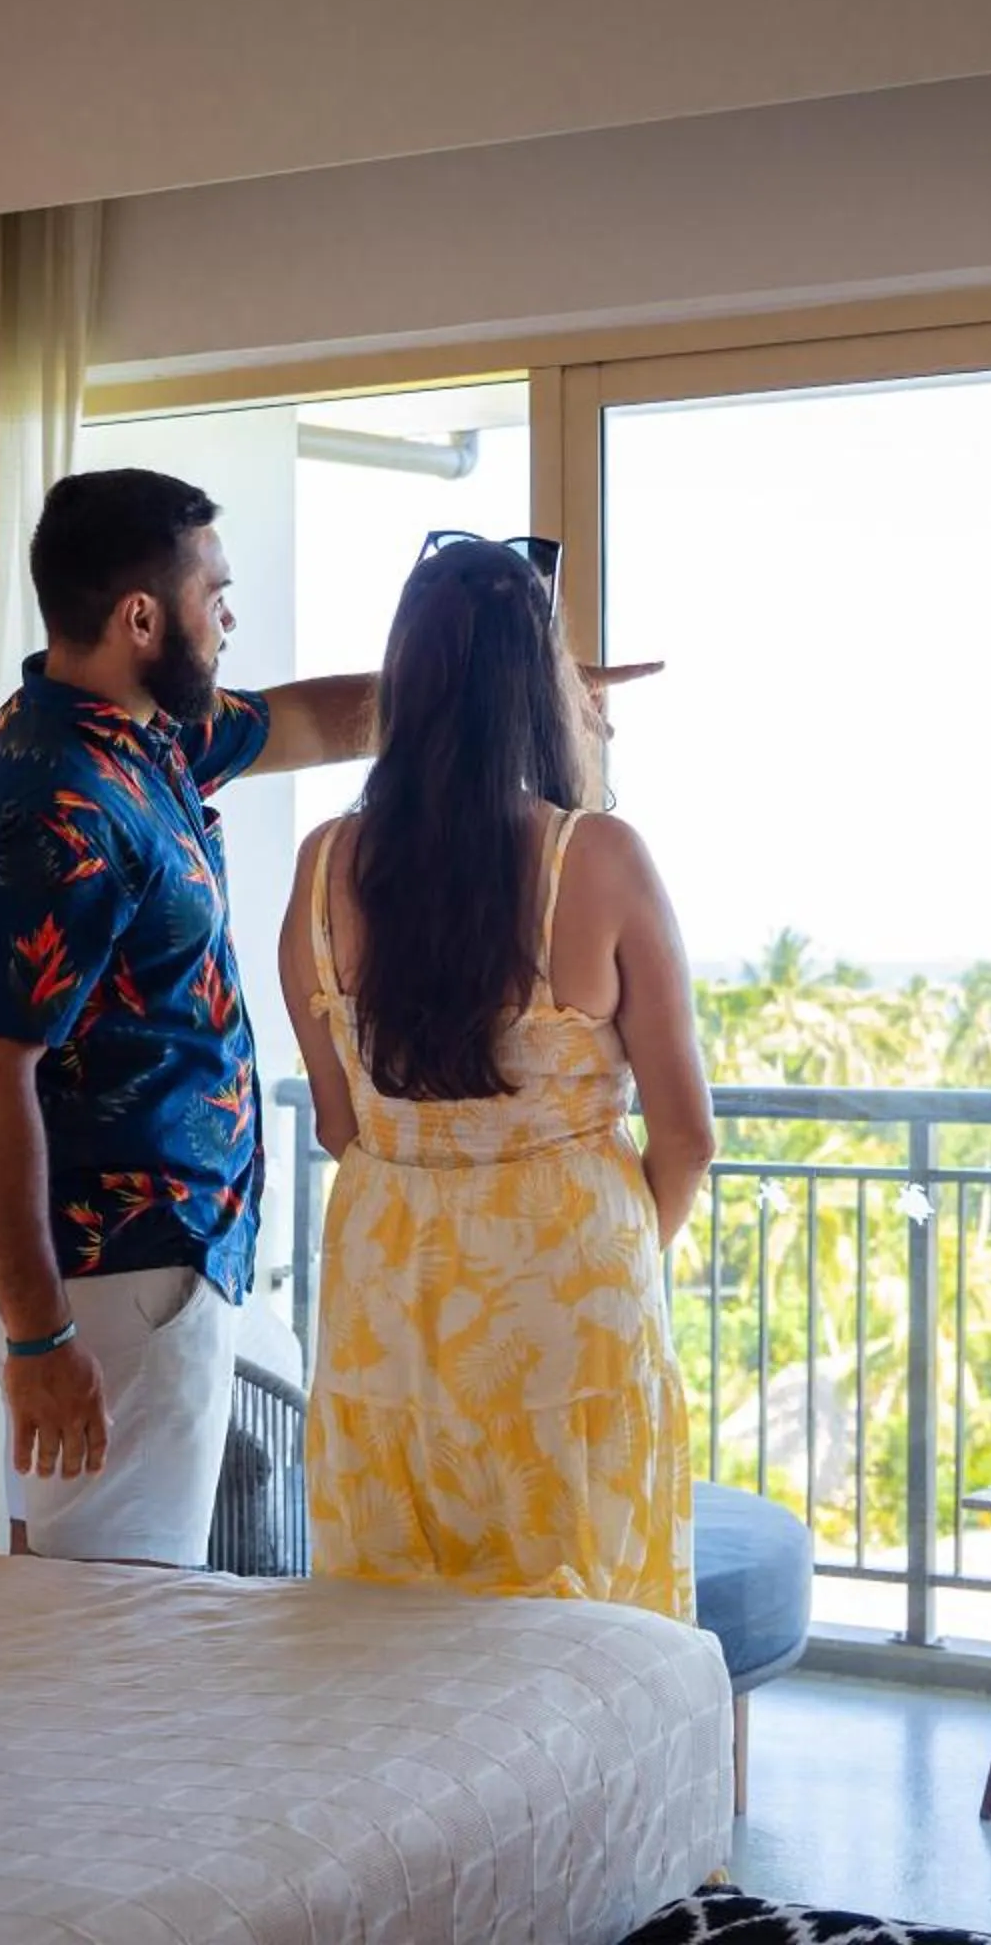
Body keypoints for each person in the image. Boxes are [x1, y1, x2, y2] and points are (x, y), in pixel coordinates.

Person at [0, 473, 651, 1566]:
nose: (230, 618)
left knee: (71, 1580)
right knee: (114, 1608)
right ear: (142, 618)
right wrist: (41, 1337)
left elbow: (310, 720)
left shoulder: (133, 735)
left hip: (122, 1261)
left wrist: (505, 687)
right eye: (215, 594)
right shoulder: (63, 806)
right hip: (109, 1269)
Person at [281, 533, 713, 1619]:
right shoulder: (597, 857)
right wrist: (592, 1244)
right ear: (544, 686)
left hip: (389, 1291)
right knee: (586, 1634)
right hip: (569, 1290)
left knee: (391, 1621)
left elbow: (338, 1120)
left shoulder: (325, 863)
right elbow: (688, 1137)